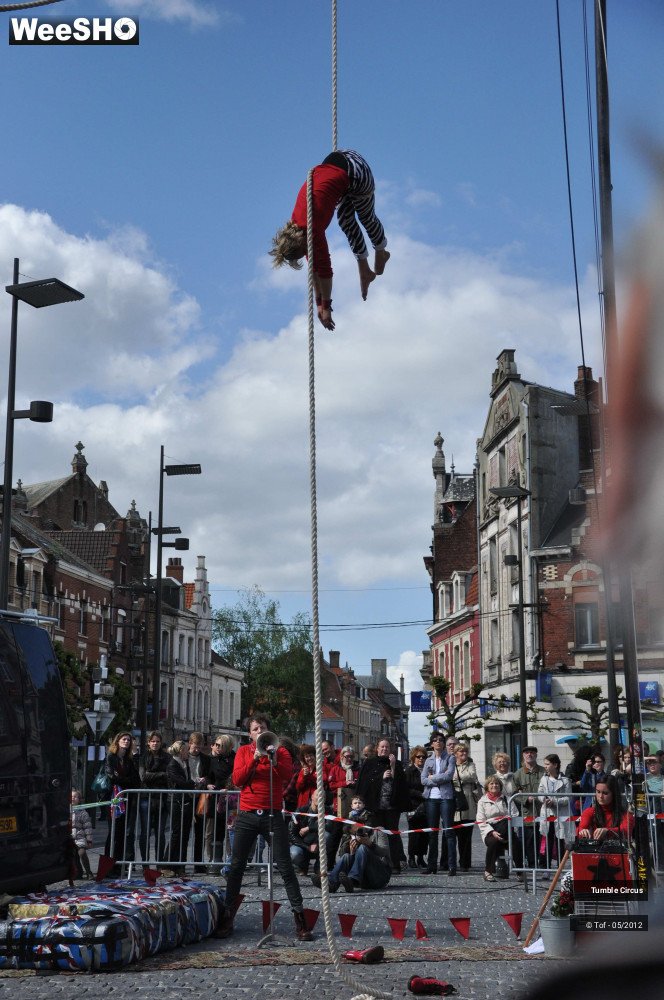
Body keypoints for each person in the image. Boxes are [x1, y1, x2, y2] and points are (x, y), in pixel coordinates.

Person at [216, 714, 313, 942]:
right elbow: (238, 780)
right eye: (255, 728)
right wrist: (254, 759)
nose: (259, 731)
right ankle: (228, 916)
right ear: (250, 733)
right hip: (248, 815)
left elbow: (287, 776)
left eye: (263, 728)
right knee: (237, 865)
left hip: (272, 815)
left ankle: (300, 919)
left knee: (285, 866)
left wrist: (272, 759)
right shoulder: (243, 752)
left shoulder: (281, 752)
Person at [270, 149, 390, 329]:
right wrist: (318, 302)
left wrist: (327, 306)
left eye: (304, 252)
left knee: (365, 216)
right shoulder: (296, 226)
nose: (306, 254)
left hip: (356, 169)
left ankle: (381, 250)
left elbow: (325, 271)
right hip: (340, 170)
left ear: (301, 243)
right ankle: (364, 269)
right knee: (346, 221)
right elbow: (314, 268)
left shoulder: (313, 228)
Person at [356, 737, 409, 873]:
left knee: (393, 835)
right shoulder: (370, 763)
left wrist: (392, 766)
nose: (384, 749)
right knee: (377, 835)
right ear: (377, 749)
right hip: (375, 806)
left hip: (391, 806)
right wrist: (381, 777)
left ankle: (395, 864)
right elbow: (365, 784)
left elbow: (401, 785)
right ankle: (376, 863)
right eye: (382, 747)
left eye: (387, 747)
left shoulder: (395, 764)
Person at [312, 824, 391, 894]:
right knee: (347, 856)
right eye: (355, 832)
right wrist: (352, 852)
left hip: (380, 877)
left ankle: (353, 880)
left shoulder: (378, 831)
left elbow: (384, 852)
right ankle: (332, 884)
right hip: (364, 880)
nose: (359, 832)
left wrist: (370, 843)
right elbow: (342, 857)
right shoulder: (351, 836)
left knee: (363, 848)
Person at [421, 733, 457, 875]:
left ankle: (452, 865)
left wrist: (433, 777)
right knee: (432, 833)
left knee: (448, 831)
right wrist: (437, 779)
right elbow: (423, 780)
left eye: (441, 740)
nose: (438, 743)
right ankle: (431, 866)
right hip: (431, 798)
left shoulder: (450, 758)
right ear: (432, 744)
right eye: (435, 741)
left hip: (446, 797)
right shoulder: (428, 760)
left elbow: (449, 775)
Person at [104, 730, 141, 867]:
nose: (126, 742)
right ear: (118, 741)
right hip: (114, 798)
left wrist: (123, 779)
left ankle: (118, 864)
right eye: (124, 739)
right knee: (113, 832)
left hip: (126, 799)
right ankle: (108, 864)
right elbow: (112, 777)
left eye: (128, 740)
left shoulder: (129, 760)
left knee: (121, 833)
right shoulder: (111, 757)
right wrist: (125, 780)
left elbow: (136, 780)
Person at [476, 776, 518, 881]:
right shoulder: (482, 801)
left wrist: (506, 821)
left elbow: (515, 814)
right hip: (490, 830)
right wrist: (492, 832)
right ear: (487, 787)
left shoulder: (508, 799)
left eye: (497, 784)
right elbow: (481, 820)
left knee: (517, 843)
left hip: (506, 828)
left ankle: (520, 872)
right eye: (492, 784)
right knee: (494, 842)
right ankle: (488, 871)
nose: (495, 785)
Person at [138, 730, 170, 864]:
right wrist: (161, 774)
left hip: (162, 798)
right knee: (145, 832)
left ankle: (159, 862)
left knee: (160, 832)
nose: (155, 743)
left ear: (161, 743)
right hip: (146, 797)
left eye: (157, 741)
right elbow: (143, 777)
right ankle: (145, 862)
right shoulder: (143, 757)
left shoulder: (167, 758)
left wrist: (153, 774)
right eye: (152, 741)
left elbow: (168, 776)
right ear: (148, 743)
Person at [536, 753, 573, 867]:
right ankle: (546, 866)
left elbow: (568, 797)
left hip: (561, 813)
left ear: (555, 765)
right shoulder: (544, 779)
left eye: (548, 764)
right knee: (547, 840)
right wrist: (544, 799)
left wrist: (555, 802)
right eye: (545, 764)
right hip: (547, 813)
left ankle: (560, 867)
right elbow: (540, 793)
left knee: (560, 840)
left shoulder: (565, 780)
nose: (545, 766)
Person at [166, 739, 196, 872]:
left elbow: (187, 781)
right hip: (176, 800)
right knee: (176, 833)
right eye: (185, 750)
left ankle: (181, 865)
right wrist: (192, 782)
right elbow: (181, 782)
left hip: (186, 800)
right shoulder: (173, 764)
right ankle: (169, 864)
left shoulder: (185, 763)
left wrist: (191, 782)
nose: (187, 752)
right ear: (180, 751)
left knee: (185, 833)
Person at [513, 746, 545, 868]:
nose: (529, 755)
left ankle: (543, 865)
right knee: (528, 842)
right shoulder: (518, 774)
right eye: (527, 753)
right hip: (527, 814)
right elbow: (514, 794)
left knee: (543, 841)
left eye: (532, 752)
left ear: (536, 755)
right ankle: (530, 866)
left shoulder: (543, 772)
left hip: (542, 812)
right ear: (523, 755)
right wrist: (526, 799)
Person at [206, 734, 235, 869]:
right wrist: (207, 784)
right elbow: (207, 776)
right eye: (216, 745)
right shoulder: (212, 760)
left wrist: (228, 788)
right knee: (215, 830)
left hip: (231, 799)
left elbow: (236, 777)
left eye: (219, 745)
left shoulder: (234, 759)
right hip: (216, 798)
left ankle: (231, 860)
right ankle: (215, 860)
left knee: (231, 830)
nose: (217, 747)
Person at [578, 775, 634, 842]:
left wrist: (608, 831)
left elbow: (626, 831)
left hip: (617, 851)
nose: (600, 796)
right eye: (598, 792)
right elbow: (580, 828)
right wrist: (582, 831)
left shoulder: (626, 815)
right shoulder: (589, 811)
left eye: (605, 793)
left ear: (614, 794)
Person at [453, 743, 482, 872]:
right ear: (456, 754)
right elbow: (449, 777)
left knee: (466, 835)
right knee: (454, 835)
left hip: (468, 802)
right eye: (461, 752)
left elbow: (472, 776)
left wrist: (457, 778)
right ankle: (451, 861)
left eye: (465, 751)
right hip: (455, 801)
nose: (464, 754)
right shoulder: (451, 765)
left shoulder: (471, 764)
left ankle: (465, 863)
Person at [289, 788, 329, 875]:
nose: (320, 798)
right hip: (302, 844)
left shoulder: (329, 811)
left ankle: (319, 867)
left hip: (318, 844)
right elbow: (292, 835)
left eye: (323, 797)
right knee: (294, 853)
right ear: (312, 797)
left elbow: (329, 827)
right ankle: (302, 867)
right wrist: (307, 847)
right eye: (318, 795)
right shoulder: (300, 811)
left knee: (327, 835)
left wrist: (309, 828)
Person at [187, 731, 211, 866]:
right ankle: (181, 863)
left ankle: (198, 862)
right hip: (187, 795)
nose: (197, 749)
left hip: (200, 796)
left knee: (200, 831)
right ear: (190, 744)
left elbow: (209, 775)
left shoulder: (205, 759)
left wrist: (205, 780)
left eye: (199, 747)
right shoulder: (184, 757)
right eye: (195, 746)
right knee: (183, 831)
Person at [405, 746, 428, 868]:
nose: (421, 759)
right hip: (413, 805)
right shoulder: (409, 771)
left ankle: (421, 857)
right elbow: (406, 789)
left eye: (423, 757)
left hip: (426, 805)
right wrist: (419, 794)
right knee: (413, 833)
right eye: (419, 757)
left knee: (425, 833)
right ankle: (411, 858)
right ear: (414, 757)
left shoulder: (428, 770)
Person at [71, 789, 94, 879]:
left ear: (79, 799)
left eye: (75, 797)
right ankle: (78, 872)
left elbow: (88, 827)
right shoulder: (65, 810)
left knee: (82, 853)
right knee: (72, 856)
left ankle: (89, 872)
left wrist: (89, 840)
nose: (73, 798)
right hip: (70, 838)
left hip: (79, 837)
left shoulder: (83, 812)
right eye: (71, 796)